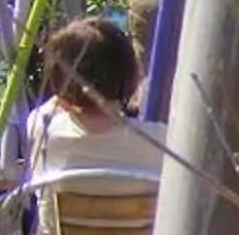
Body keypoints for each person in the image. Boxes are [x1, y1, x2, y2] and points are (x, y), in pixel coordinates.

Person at [26, 16, 163, 180]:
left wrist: (66, 94)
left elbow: (48, 108)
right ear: (132, 75)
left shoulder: (44, 131)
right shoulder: (159, 140)